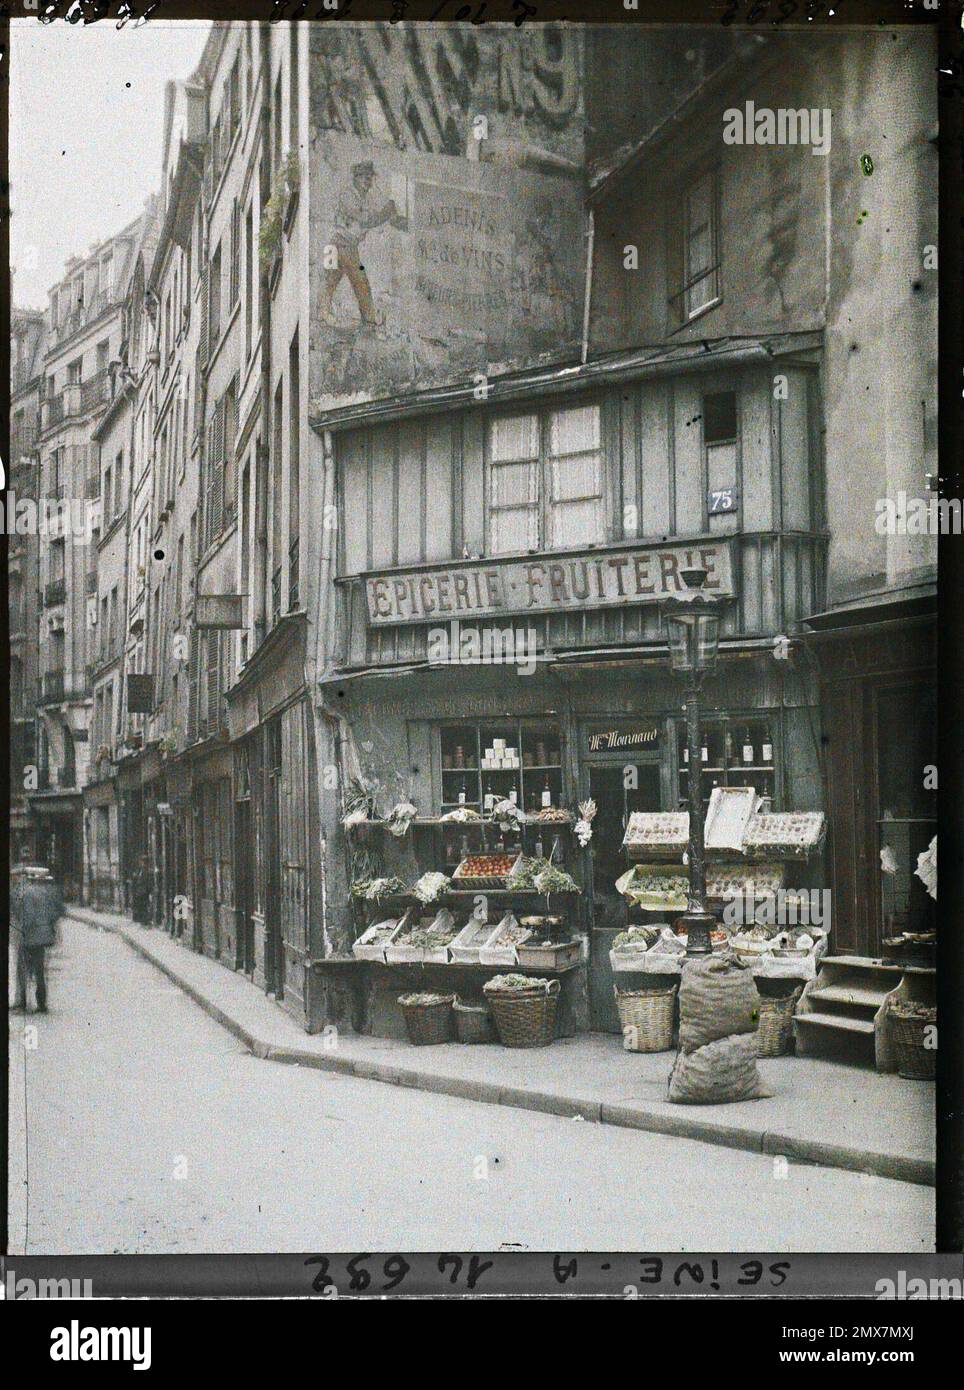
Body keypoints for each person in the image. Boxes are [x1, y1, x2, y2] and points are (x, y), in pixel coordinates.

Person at [320, 161, 407, 328]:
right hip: (339, 244)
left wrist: (392, 214)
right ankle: (369, 320)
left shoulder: (367, 198)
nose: (369, 183)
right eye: (365, 179)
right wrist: (385, 213)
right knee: (357, 280)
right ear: (356, 178)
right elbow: (366, 220)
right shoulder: (348, 195)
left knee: (333, 280)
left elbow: (379, 215)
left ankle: (326, 313)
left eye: (370, 179)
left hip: (347, 245)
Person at [12, 863, 63, 1013]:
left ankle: (22, 1004)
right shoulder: (46, 892)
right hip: (43, 938)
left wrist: (22, 932)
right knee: (40, 971)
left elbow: (28, 917)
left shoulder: (27, 893)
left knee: (22, 970)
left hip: (29, 937)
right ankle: (42, 1003)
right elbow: (55, 913)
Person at [132, 855, 151, 926]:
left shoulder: (147, 870)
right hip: (140, 891)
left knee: (144, 906)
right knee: (140, 906)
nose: (142, 863)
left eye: (143, 862)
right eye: (142, 862)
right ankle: (141, 920)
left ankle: (144, 921)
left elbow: (147, 881)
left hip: (144, 891)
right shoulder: (141, 870)